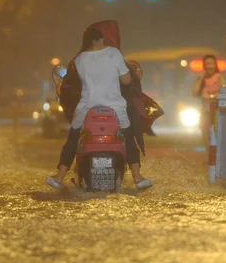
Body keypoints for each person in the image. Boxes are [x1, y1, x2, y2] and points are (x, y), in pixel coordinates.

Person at [46, 27, 153, 190]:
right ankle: (138, 178)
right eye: (103, 38)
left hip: (87, 107)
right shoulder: (114, 53)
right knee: (129, 138)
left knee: (73, 139)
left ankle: (59, 177)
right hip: (115, 107)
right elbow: (125, 81)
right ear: (98, 40)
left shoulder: (80, 59)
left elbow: (78, 82)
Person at [192, 54, 226, 146]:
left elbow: (225, 92)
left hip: (217, 110)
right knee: (205, 133)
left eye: (212, 64)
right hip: (205, 111)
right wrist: (202, 77)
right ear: (204, 66)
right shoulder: (201, 79)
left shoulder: (219, 77)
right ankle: (209, 155)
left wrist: (211, 96)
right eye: (207, 64)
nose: (210, 66)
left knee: (217, 132)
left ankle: (217, 155)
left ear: (215, 65)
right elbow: (194, 93)